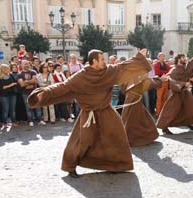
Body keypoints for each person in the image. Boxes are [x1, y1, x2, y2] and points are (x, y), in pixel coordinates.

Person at [27, 49, 152, 178]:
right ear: (94, 61)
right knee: (82, 141)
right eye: (101, 59)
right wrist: (45, 93)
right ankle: (70, 166)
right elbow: (63, 86)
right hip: (89, 114)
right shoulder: (81, 77)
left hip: (106, 111)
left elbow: (123, 67)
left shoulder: (108, 71)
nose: (104, 61)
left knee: (116, 134)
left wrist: (139, 58)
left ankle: (117, 164)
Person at [156, 47, 193, 134]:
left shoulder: (185, 68)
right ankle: (164, 126)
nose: (184, 59)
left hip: (185, 92)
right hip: (176, 93)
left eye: (184, 57)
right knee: (171, 110)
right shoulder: (174, 69)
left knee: (190, 108)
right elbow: (170, 79)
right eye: (183, 58)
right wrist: (182, 84)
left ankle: (188, 123)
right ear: (178, 59)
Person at [121, 76, 163, 147]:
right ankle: (132, 139)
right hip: (134, 99)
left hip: (131, 98)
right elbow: (151, 84)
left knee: (135, 117)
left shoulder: (130, 74)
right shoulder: (139, 75)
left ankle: (134, 137)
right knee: (133, 118)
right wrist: (160, 80)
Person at [17, 60, 42, 126]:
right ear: (21, 65)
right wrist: (31, 82)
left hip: (34, 92)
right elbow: (22, 84)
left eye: (27, 64)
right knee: (28, 107)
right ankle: (30, 120)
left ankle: (39, 120)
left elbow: (35, 81)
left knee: (37, 106)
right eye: (25, 64)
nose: (26, 65)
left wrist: (26, 82)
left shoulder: (33, 72)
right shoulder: (19, 74)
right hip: (25, 93)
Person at [154, 52, 170, 118]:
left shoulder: (166, 65)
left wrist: (164, 74)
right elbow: (157, 72)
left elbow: (169, 72)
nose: (162, 57)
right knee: (159, 98)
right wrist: (164, 74)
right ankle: (158, 113)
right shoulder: (156, 65)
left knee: (164, 98)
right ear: (158, 57)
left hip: (166, 82)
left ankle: (163, 113)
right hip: (160, 82)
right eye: (161, 56)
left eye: (163, 56)